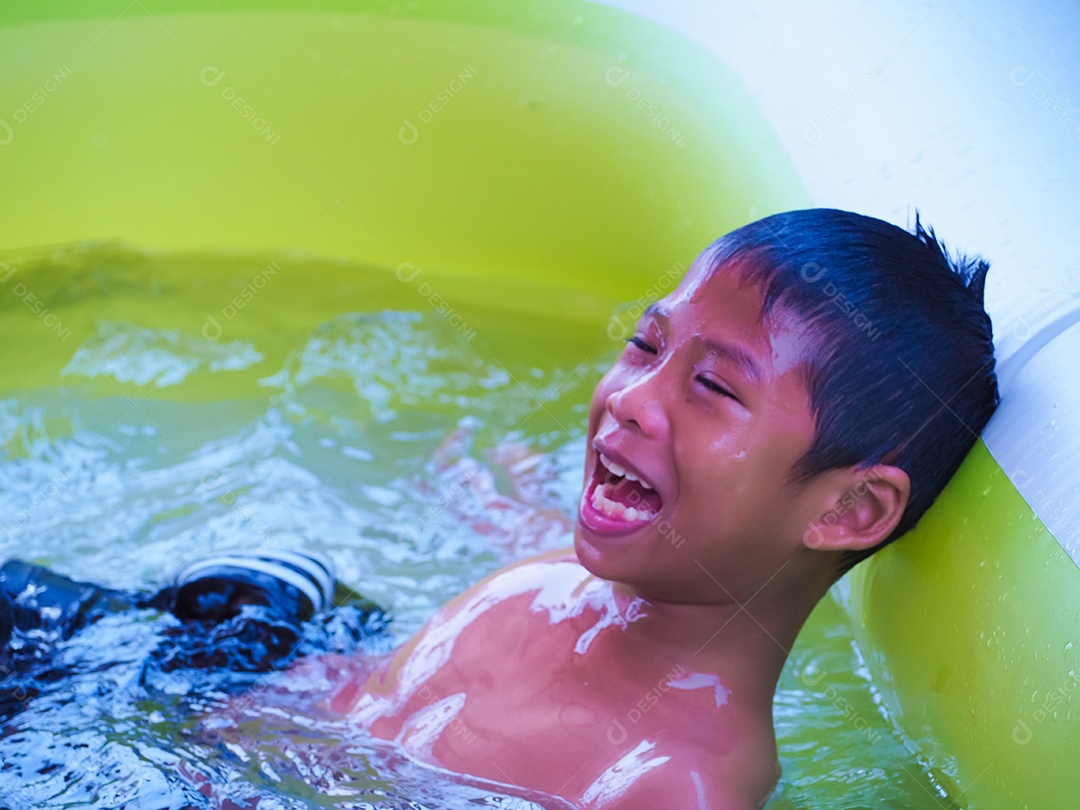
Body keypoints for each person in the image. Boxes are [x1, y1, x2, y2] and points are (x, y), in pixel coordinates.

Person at [321, 208, 1000, 809]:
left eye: (711, 386)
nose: (631, 399)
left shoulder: (673, 784)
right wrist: (502, 505)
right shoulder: (552, 580)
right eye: (645, 344)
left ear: (849, 509)